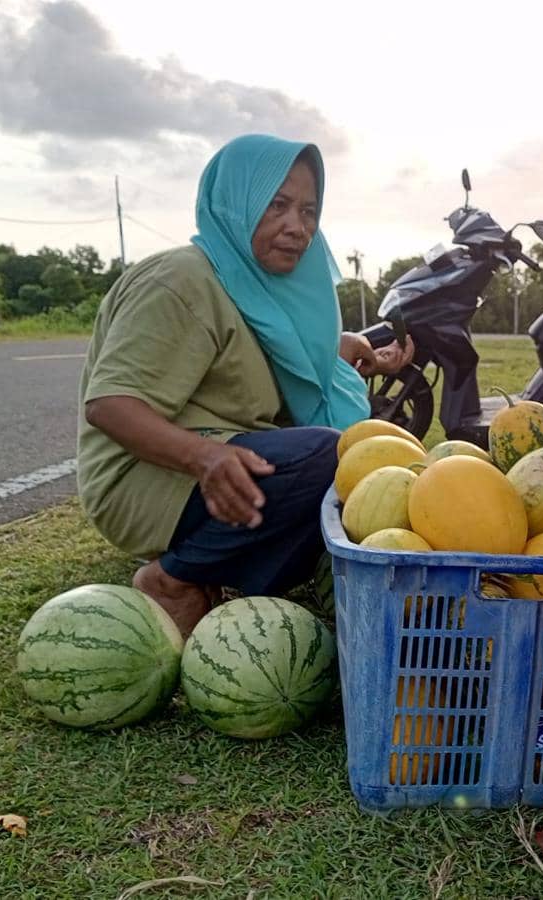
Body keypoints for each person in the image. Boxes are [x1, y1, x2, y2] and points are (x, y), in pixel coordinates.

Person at [77, 134, 415, 636]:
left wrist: (345, 353)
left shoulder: (258, 287)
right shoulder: (181, 279)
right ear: (236, 201)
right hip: (144, 475)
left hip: (227, 464)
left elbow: (274, 362)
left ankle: (221, 570)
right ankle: (173, 579)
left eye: (308, 211)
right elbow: (109, 404)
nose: (296, 227)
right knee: (327, 458)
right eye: (277, 205)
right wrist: (204, 458)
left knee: (355, 483)